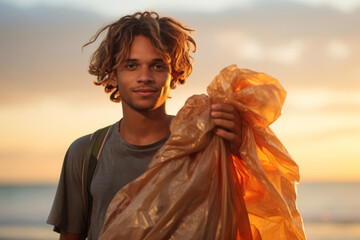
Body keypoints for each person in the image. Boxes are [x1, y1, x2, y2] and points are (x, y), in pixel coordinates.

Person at [47, 11, 243, 240]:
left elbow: (246, 213)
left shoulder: (200, 144)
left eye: (158, 66)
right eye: (131, 65)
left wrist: (240, 150)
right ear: (112, 76)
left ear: (175, 74)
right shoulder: (86, 153)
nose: (145, 77)